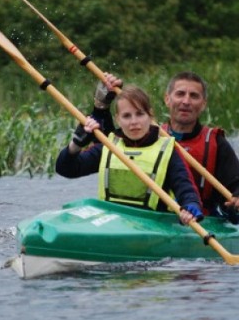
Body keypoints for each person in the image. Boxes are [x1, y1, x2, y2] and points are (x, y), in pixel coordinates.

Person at [55, 75, 203, 226]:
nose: (134, 122)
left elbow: (185, 188)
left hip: (153, 227)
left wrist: (190, 206)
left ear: (150, 116)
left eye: (139, 114)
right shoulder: (109, 146)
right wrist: (76, 143)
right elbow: (66, 169)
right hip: (112, 223)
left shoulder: (167, 151)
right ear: (118, 119)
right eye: (127, 116)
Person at [161, 71, 239, 224]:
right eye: (180, 94)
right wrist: (105, 104)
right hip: (156, 218)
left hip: (202, 220)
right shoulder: (151, 135)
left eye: (194, 96)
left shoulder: (216, 143)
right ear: (167, 99)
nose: (186, 101)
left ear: (203, 104)